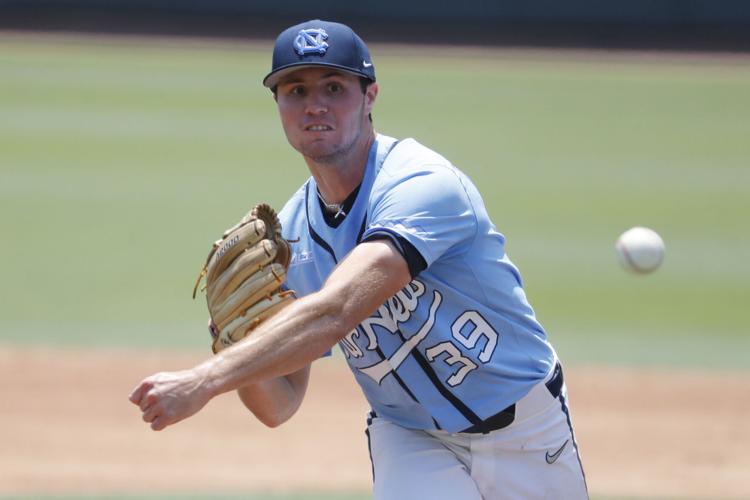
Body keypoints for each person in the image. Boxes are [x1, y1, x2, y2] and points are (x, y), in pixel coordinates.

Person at [129, 19, 588, 499]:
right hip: (410, 437)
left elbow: (337, 310)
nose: (315, 105)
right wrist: (233, 339)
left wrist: (205, 381)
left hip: (524, 429)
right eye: (295, 90)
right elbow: (278, 405)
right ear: (278, 105)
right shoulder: (292, 237)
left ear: (370, 96)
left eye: (334, 86)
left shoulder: (422, 185)